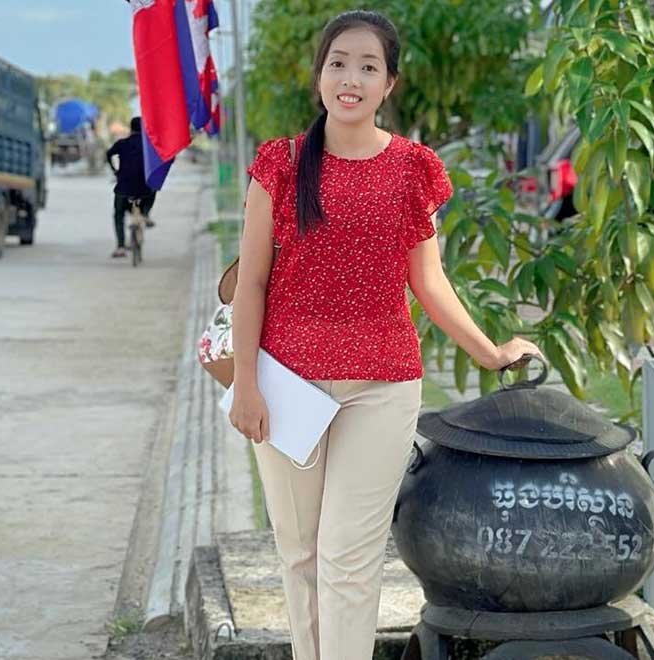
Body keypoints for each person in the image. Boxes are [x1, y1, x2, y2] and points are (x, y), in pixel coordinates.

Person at [227, 11, 543, 660]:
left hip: (383, 385)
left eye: (368, 66)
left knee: (349, 555)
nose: (351, 78)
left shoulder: (410, 169)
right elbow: (251, 282)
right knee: (302, 552)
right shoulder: (280, 165)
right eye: (338, 62)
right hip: (287, 386)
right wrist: (245, 385)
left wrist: (492, 352)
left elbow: (429, 282)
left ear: (389, 84)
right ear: (319, 75)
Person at [107, 117, 157, 258]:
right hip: (144, 189)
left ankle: (121, 247)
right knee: (154, 189)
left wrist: (114, 170)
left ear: (131, 128)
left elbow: (108, 154)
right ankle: (146, 214)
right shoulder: (150, 145)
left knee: (118, 214)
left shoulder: (122, 143)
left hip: (124, 188)